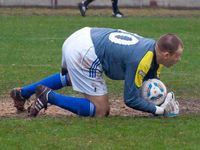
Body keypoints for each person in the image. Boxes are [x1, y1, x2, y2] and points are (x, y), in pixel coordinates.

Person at [10, 27, 183, 117]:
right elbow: (130, 99)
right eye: (178, 56)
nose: (179, 60)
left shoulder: (152, 48)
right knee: (101, 110)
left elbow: (149, 83)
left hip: (82, 36)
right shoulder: (141, 60)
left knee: (72, 77)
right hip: (85, 51)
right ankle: (49, 97)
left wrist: (159, 101)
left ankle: (22, 93)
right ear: (166, 54)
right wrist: (158, 110)